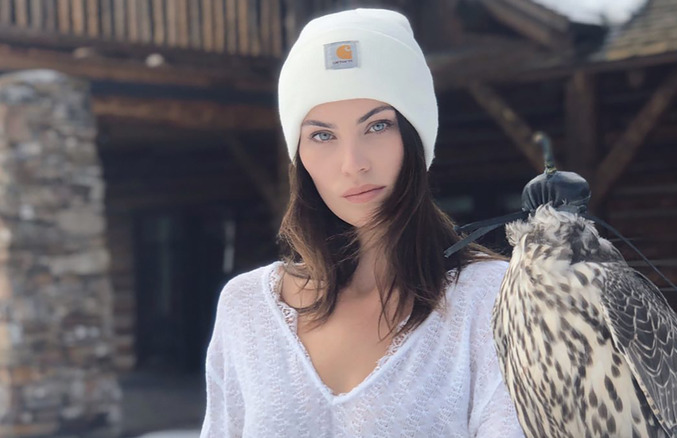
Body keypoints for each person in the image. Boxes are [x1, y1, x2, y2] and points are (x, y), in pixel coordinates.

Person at [199, 8, 525, 437]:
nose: (353, 164)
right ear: (300, 156)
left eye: (377, 126)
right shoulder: (246, 309)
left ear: (416, 136)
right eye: (322, 135)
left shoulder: (494, 299)